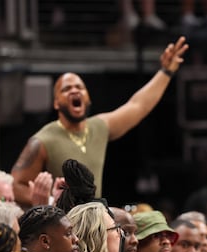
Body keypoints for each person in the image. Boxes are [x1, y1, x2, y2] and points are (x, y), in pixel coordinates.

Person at [10, 37, 189, 208]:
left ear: (88, 99)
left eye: (79, 87)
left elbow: (138, 105)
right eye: (66, 89)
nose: (74, 91)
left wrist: (166, 72)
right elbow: (16, 184)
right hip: (62, 226)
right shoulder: (42, 140)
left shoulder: (99, 127)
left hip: (95, 222)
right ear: (56, 103)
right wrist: (50, 201)